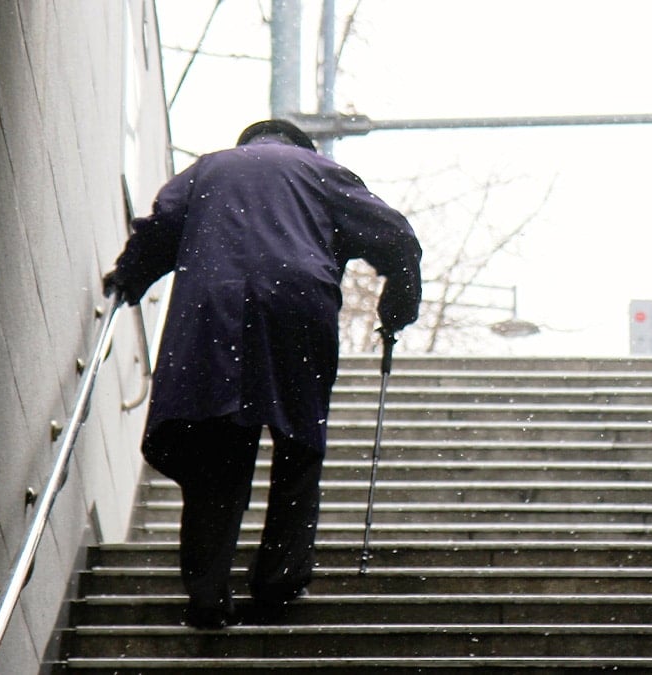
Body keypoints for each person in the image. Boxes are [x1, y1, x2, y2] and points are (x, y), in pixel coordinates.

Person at [103, 119, 422, 629]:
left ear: (248, 142)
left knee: (216, 447)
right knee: (299, 445)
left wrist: (128, 278)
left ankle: (208, 595)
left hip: (213, 307)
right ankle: (279, 578)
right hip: (296, 305)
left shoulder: (208, 169)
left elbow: (159, 227)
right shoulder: (321, 172)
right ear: (301, 145)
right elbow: (398, 237)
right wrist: (396, 311)